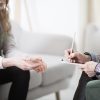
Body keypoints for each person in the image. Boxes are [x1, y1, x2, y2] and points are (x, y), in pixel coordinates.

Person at [0, 0, 47, 100]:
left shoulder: (3, 16)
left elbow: (9, 48)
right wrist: (11, 61)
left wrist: (26, 58)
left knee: (22, 71)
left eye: (0, 4)